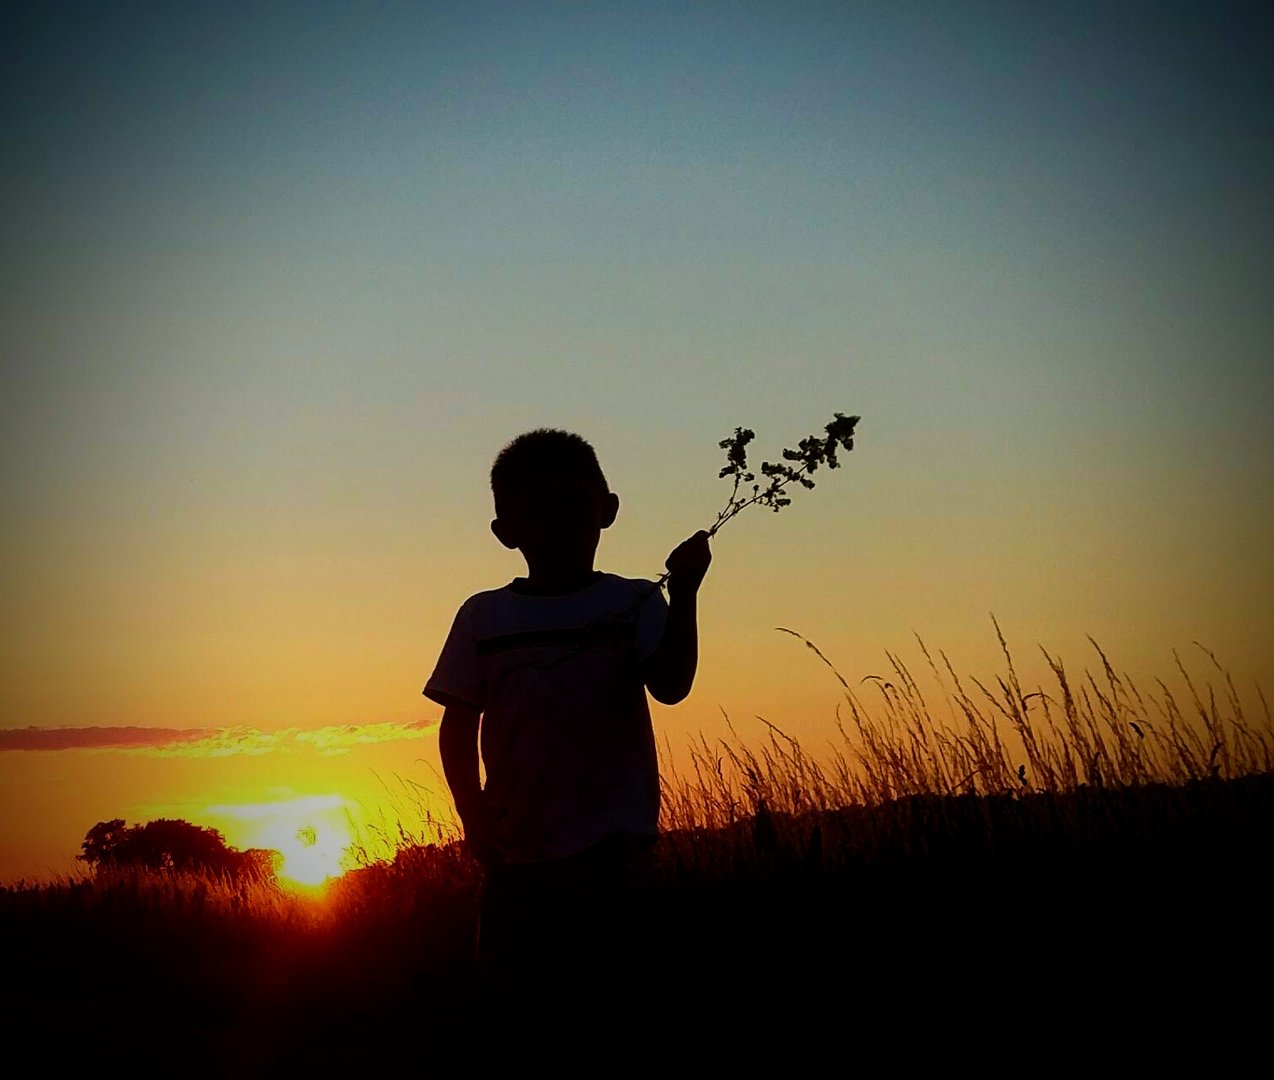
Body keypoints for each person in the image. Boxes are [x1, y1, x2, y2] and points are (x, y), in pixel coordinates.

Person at [423, 428, 710, 1016]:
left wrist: (684, 595)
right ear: (507, 533)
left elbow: (671, 686)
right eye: (537, 509)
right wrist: (472, 812)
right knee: (517, 1003)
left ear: (605, 511)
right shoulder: (484, 616)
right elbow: (457, 723)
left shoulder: (632, 603)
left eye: (573, 504)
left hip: (616, 845)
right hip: (517, 847)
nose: (558, 521)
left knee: (611, 995)